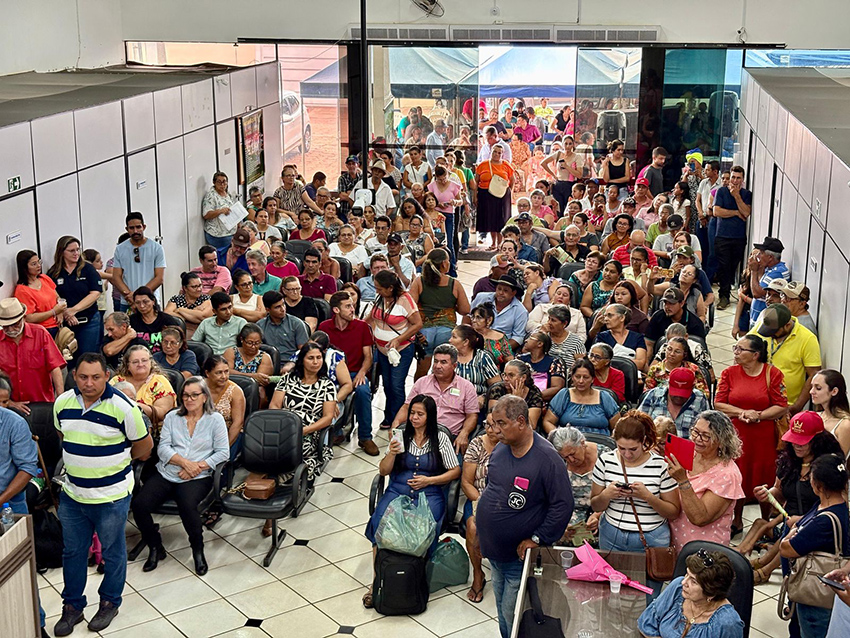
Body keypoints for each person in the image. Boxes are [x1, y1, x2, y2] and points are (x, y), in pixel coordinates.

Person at [52, 353, 152, 636]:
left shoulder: (124, 407)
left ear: (107, 376)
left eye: (96, 377)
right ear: (74, 376)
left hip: (111, 496)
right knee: (73, 552)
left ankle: (110, 602)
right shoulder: (62, 403)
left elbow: (144, 446)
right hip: (73, 495)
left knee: (112, 551)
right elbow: (64, 437)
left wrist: (113, 463)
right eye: (83, 377)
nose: (89, 383)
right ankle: (72, 606)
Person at [477, 395, 574, 638]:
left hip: (519, 557)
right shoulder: (501, 448)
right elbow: (493, 487)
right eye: (494, 423)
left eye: (501, 423)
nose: (495, 430)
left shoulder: (547, 459)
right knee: (502, 609)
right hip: (495, 551)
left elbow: (563, 506)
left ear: (521, 421)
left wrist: (538, 538)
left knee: (513, 614)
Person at [362, 394, 460, 608]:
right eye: (412, 413)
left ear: (429, 416)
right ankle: (377, 580)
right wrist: (391, 453)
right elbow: (383, 471)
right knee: (380, 523)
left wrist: (430, 480)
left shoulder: (440, 438)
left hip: (429, 493)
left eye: (419, 414)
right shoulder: (401, 435)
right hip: (398, 490)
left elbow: (455, 471)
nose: (414, 418)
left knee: (424, 528)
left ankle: (414, 579)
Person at [131, 376, 228, 576]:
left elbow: (223, 453)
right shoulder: (172, 417)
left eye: (194, 395)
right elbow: (163, 449)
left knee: (187, 506)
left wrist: (196, 467)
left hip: (198, 476)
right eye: (185, 395)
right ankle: (155, 546)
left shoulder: (215, 419)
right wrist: (185, 463)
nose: (189, 399)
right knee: (139, 505)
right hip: (168, 472)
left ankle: (198, 550)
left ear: (204, 397)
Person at [742, 414, 843, 585]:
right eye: (794, 440)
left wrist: (803, 520)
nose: (796, 445)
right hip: (788, 524)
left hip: (816, 527)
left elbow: (838, 505)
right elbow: (779, 490)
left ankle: (764, 570)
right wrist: (768, 494)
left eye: (802, 441)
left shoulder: (828, 467)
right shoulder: (788, 461)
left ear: (818, 440)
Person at [590, 410, 680, 596]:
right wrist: (607, 495)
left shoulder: (661, 465)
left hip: (651, 537)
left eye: (633, 449)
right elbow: (596, 504)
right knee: (611, 592)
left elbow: (673, 511)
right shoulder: (605, 461)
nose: (627, 454)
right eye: (621, 448)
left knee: (648, 594)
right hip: (612, 533)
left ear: (644, 442)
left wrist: (648, 497)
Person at [715, 333, 789, 534]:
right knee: (738, 475)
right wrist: (742, 412)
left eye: (740, 349)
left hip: (763, 437)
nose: (736, 352)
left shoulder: (773, 374)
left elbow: (781, 405)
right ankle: (737, 519)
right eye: (735, 348)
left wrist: (759, 415)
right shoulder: (729, 373)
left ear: (755, 354)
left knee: (763, 476)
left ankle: (765, 522)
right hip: (737, 435)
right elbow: (719, 403)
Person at [779, 454, 850, 638]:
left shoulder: (823, 522)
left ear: (819, 486)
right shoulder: (830, 506)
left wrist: (793, 531)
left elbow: (786, 548)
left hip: (815, 598)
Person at [664, 410, 745, 552]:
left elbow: (700, 518)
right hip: (673, 542)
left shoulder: (727, 474)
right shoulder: (690, 453)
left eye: (706, 436)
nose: (697, 439)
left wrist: (683, 481)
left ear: (721, 441)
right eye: (695, 432)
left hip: (702, 550)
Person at [319, 292, 378, 456]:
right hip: (331, 373)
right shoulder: (324, 327)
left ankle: (365, 437)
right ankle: (334, 431)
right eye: (348, 306)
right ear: (336, 310)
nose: (353, 309)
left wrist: (362, 372)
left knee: (363, 391)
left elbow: (368, 357)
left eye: (352, 305)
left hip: (354, 372)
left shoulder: (362, 327)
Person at [392, 344, 478, 454]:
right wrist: (395, 424)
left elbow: (472, 415)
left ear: (454, 365)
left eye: (443, 362)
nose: (437, 366)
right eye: (436, 361)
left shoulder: (466, 387)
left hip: (449, 438)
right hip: (420, 434)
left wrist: (464, 433)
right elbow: (407, 407)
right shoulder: (422, 383)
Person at [638, 551, 744, 638]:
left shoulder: (728, 623)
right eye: (687, 574)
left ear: (710, 592)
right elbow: (646, 623)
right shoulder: (678, 587)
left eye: (693, 581)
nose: (684, 582)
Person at [270, 342, 336, 481]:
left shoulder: (327, 385)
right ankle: (271, 476)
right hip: (284, 426)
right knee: (268, 444)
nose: (316, 362)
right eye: (311, 358)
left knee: (292, 447)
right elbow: (275, 405)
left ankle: (279, 477)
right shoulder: (288, 379)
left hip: (310, 431)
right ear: (302, 360)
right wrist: (281, 426)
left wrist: (305, 430)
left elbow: (328, 417)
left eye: (319, 357)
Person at [368, 270, 422, 428]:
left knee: (396, 385)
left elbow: (417, 324)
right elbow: (371, 318)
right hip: (382, 350)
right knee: (386, 384)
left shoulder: (405, 300)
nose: (377, 291)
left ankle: (398, 420)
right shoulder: (380, 298)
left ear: (390, 288)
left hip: (402, 350)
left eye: (379, 288)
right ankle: (389, 415)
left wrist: (398, 339)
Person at [410, 248, 470, 379]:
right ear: (443, 263)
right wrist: (452, 305)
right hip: (447, 333)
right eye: (448, 260)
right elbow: (465, 309)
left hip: (424, 333)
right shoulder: (454, 284)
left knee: (422, 370)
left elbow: (410, 308)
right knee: (443, 369)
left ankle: (419, 390)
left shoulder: (419, 282)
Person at [750, 303, 822, 415]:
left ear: (787, 325)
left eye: (773, 331)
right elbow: (743, 349)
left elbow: (814, 374)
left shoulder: (807, 339)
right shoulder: (762, 327)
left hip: (785, 406)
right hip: (756, 401)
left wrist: (797, 406)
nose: (769, 335)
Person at [0, 298, 65, 415]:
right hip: (11, 407)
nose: (10, 330)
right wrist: (9, 402)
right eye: (6, 326)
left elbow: (55, 367)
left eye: (15, 325)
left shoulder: (40, 333)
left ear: (24, 318)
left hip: (42, 402)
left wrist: (61, 400)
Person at [549, 427, 609, 546]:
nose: (571, 460)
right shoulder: (557, 461)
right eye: (565, 457)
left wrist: (598, 515)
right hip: (568, 512)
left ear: (582, 443)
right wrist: (561, 522)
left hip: (600, 509)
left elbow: (613, 491)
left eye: (572, 454)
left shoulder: (605, 456)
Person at [462, 412, 499, 602]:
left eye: (494, 425)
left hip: (504, 502)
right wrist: (483, 503)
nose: (489, 429)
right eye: (487, 424)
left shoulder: (511, 445)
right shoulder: (476, 444)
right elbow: (466, 482)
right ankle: (478, 573)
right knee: (473, 527)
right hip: (478, 498)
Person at [47, 236, 103, 359]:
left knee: (88, 357)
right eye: (71, 251)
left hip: (88, 320)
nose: (76, 253)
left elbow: (95, 293)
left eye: (78, 250)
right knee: (68, 358)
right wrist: (65, 312)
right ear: (62, 252)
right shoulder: (54, 272)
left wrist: (74, 310)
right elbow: (51, 295)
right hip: (66, 322)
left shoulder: (87, 269)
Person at [111, 344, 176, 434]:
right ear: (127, 365)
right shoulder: (117, 380)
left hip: (151, 432)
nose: (140, 364)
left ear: (151, 362)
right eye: (135, 362)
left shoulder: (159, 381)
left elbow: (162, 413)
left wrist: (132, 405)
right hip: (115, 427)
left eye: (144, 360)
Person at [544, 360, 621, 435]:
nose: (581, 381)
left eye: (586, 377)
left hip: (599, 441)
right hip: (569, 441)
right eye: (577, 377)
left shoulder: (604, 397)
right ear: (572, 377)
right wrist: (559, 437)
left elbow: (617, 427)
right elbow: (548, 422)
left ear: (592, 379)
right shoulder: (564, 395)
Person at [714, 166, 752, 310]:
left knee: (732, 266)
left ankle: (727, 290)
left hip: (739, 237)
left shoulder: (746, 194)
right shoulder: (721, 192)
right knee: (723, 266)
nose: (735, 181)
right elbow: (717, 211)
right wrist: (736, 213)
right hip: (722, 236)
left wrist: (736, 196)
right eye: (733, 178)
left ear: (742, 180)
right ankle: (724, 296)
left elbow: (746, 212)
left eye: (738, 178)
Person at [111, 212, 166, 311]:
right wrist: (131, 297)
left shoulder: (156, 248)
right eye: (131, 228)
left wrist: (138, 296)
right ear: (127, 229)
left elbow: (159, 278)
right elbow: (116, 277)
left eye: (138, 227)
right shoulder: (120, 249)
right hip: (127, 302)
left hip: (149, 300)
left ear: (144, 227)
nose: (135, 231)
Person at [639, 367, 710, 438]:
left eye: (683, 394)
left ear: (693, 387)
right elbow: (639, 424)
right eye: (675, 392)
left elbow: (708, 431)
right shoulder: (654, 395)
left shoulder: (700, 399)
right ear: (668, 384)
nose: (678, 397)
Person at [202, 355, 246, 461]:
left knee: (218, 462)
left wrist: (223, 449)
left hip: (229, 435)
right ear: (207, 373)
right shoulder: (198, 387)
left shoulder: (235, 391)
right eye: (218, 373)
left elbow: (238, 423)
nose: (224, 376)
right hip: (202, 433)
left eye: (226, 372)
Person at [645, 287, 707, 360]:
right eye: (665, 303)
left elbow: (699, 349)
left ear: (682, 303)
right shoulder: (657, 317)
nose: (667, 307)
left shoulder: (695, 324)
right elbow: (649, 344)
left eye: (671, 303)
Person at [471, 275, 528, 352]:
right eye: (499, 289)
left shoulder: (521, 311)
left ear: (513, 293)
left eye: (505, 291)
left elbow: (518, 337)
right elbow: (468, 316)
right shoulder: (481, 297)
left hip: (500, 348)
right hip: (474, 341)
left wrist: (498, 350)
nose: (501, 293)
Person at [14, 249, 63, 334]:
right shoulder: (22, 290)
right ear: (25, 268)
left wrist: (60, 312)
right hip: (42, 330)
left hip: (57, 325)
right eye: (34, 264)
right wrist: (53, 312)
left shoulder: (44, 278)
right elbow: (29, 318)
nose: (38, 266)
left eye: (39, 262)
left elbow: (57, 297)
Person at [451, 325, 501, 409]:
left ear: (465, 342)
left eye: (454, 337)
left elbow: (497, 385)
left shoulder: (482, 358)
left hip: (476, 403)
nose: (450, 340)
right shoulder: (449, 356)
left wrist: (484, 397)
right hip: (451, 401)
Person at [487, 360, 545, 431]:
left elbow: (530, 426)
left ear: (523, 377)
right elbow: (492, 418)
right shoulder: (497, 389)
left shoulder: (534, 394)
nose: (505, 379)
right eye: (504, 375)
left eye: (511, 375)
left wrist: (518, 402)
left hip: (523, 433)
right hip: (498, 431)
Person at [476, 144, 514, 249]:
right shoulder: (483, 165)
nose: (496, 154)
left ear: (502, 154)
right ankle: (493, 243)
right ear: (491, 152)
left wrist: (509, 192)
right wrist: (475, 196)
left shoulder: (506, 165)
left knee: (501, 219)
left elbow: (512, 180)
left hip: (502, 195)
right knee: (490, 219)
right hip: (486, 194)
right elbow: (476, 181)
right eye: (495, 152)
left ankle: (500, 243)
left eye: (499, 153)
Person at [644, 336, 709, 399]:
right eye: (669, 349)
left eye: (677, 351)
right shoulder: (655, 369)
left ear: (684, 354)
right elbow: (646, 394)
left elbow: (704, 394)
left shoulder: (693, 369)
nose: (672, 354)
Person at [257, 291, 309, 366]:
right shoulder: (260, 326)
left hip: (292, 364)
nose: (283, 309)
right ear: (268, 309)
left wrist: (292, 363)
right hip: (268, 364)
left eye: (283, 304)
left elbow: (303, 351)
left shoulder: (296, 324)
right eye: (277, 307)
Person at [747, 236, 790, 325]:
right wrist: (760, 267)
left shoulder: (777, 272)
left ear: (770, 257)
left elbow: (757, 293)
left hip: (765, 321)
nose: (758, 256)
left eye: (761, 253)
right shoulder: (770, 269)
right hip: (757, 318)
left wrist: (754, 271)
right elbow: (761, 283)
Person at [593, 303, 648, 370]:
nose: (606, 319)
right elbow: (598, 361)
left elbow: (640, 363)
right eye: (605, 316)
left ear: (622, 318)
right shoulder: (602, 337)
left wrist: (613, 362)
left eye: (610, 315)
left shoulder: (637, 338)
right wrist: (626, 363)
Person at [128, 286, 180, 354]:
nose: (142, 306)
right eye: (138, 303)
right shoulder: (131, 321)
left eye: (145, 302)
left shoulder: (167, 320)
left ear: (153, 301)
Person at [518, 331, 568, 402]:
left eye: (530, 338)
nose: (526, 340)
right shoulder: (520, 359)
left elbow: (557, 387)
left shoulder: (555, 362)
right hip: (519, 398)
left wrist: (533, 398)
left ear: (540, 344)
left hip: (544, 402)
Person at [810, 369, 850, 459]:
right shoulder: (815, 416)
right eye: (812, 387)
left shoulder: (845, 424)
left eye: (818, 388)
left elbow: (839, 460)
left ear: (834, 391)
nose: (811, 391)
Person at [164, 271, 212, 339]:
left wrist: (180, 310)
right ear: (185, 288)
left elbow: (203, 316)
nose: (199, 289)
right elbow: (167, 313)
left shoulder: (206, 299)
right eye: (194, 287)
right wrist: (193, 316)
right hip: (180, 334)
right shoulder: (176, 299)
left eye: (200, 285)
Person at [469, 301, 514, 368]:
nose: (474, 320)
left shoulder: (500, 337)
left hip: (495, 372)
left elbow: (509, 359)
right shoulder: (467, 335)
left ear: (489, 320)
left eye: (479, 317)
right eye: (473, 317)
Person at [200, 172, 239, 249]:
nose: (222, 184)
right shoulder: (211, 196)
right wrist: (220, 211)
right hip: (218, 235)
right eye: (219, 182)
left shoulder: (227, 194)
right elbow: (206, 215)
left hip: (230, 232)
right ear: (214, 182)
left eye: (224, 181)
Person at [544, 304, 586, 369]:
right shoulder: (544, 336)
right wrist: (542, 334)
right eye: (548, 319)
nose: (549, 322)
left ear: (564, 323)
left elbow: (581, 365)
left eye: (553, 320)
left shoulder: (576, 341)